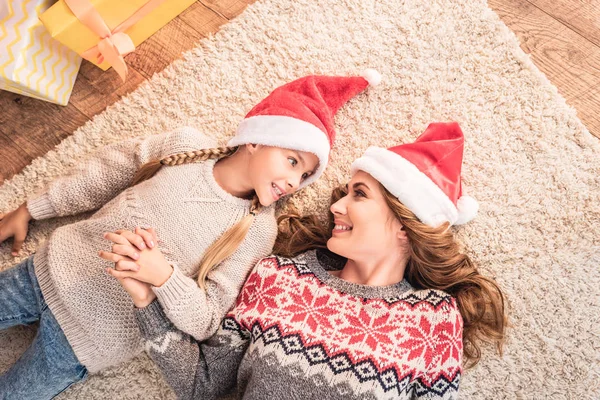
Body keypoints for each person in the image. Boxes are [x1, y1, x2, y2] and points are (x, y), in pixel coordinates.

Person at [0, 70, 382, 399]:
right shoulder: (187, 147)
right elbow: (105, 173)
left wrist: (163, 277)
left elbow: (208, 319)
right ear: (255, 138)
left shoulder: (257, 230)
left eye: (303, 176)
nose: (293, 181)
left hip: (88, 340)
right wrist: (32, 209)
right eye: (292, 161)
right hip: (47, 270)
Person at [111, 122, 507, 399]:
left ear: (407, 225)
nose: (336, 205)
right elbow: (201, 384)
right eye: (345, 192)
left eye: (359, 195)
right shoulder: (278, 278)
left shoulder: (432, 319)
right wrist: (146, 299)